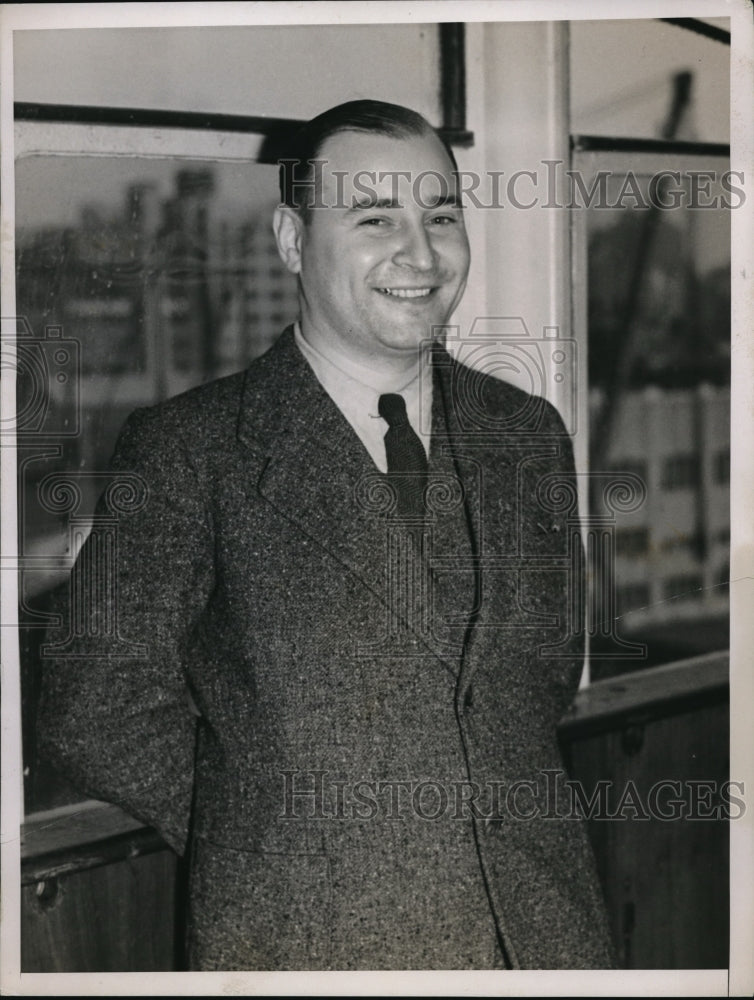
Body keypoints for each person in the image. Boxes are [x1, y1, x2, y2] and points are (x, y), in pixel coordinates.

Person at [40, 99, 615, 970]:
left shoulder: (527, 433)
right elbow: (94, 707)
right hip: (306, 946)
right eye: (375, 217)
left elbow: (540, 677)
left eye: (442, 216)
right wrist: (274, 826)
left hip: (544, 944)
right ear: (292, 239)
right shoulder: (189, 450)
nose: (419, 254)